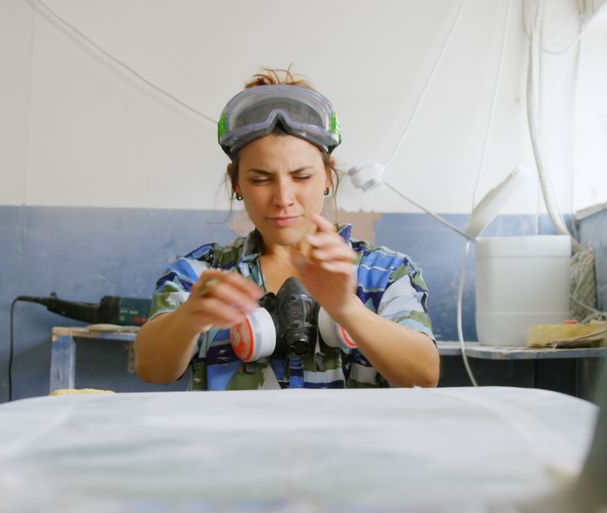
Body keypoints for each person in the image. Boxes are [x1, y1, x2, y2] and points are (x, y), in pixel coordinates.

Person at [134, 68, 439, 389]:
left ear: (328, 177)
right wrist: (190, 317)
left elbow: (423, 376)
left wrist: (347, 309)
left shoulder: (386, 273)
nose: (283, 199)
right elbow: (152, 369)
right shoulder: (200, 275)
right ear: (236, 183)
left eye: (302, 176)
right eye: (260, 179)